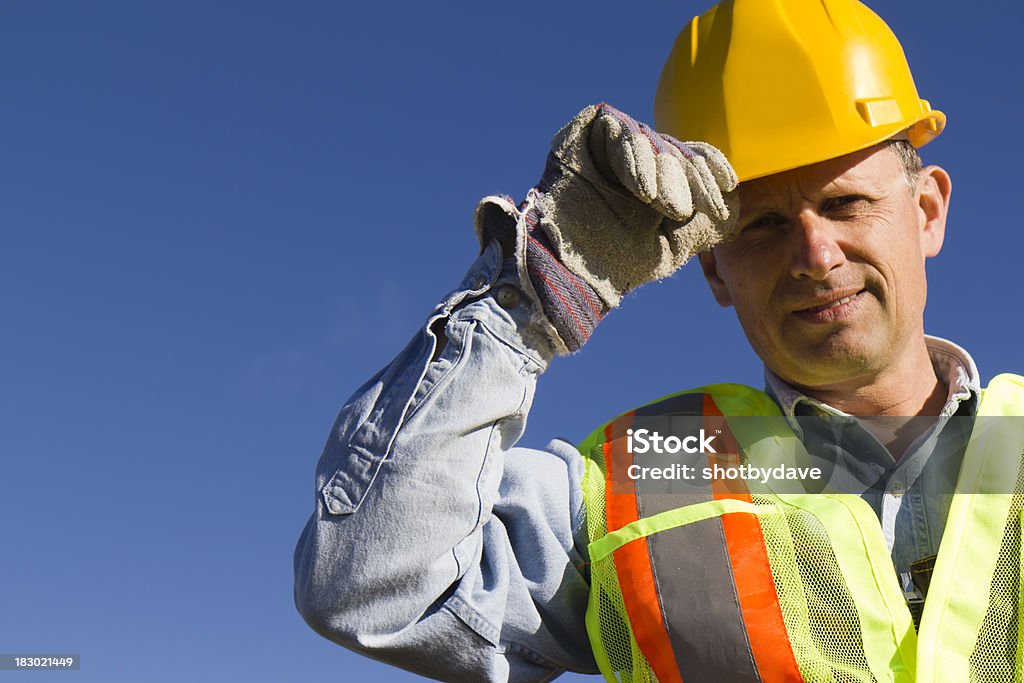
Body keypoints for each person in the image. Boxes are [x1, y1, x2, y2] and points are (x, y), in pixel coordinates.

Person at [293, 0, 1024, 681]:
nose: (816, 254)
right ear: (712, 268)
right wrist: (531, 293)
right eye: (763, 226)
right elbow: (369, 587)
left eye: (845, 203)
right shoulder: (649, 469)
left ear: (926, 212)